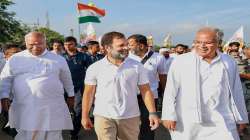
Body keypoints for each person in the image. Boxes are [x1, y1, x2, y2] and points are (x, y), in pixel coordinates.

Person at [161, 27, 249, 140]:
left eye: (207, 42)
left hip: (222, 118)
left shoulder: (228, 61)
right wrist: (168, 115)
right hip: (188, 120)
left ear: (218, 43)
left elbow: (237, 91)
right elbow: (170, 90)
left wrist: (242, 118)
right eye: (198, 42)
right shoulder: (181, 61)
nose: (202, 46)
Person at [81, 31, 160, 140]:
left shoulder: (137, 66)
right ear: (108, 48)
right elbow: (88, 94)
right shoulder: (95, 68)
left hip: (130, 116)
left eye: (127, 44)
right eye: (121, 45)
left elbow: (145, 90)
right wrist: (84, 116)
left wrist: (152, 113)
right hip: (103, 116)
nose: (126, 48)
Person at [0, 32, 75, 140]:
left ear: (45, 43)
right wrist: (4, 96)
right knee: (27, 135)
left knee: (52, 134)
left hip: (52, 106)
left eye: (39, 44)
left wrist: (71, 95)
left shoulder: (58, 59)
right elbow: (6, 79)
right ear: (26, 44)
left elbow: (67, 79)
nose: (35, 47)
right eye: (31, 44)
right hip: (25, 106)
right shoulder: (15, 59)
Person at [128, 34, 168, 140]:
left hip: (150, 96)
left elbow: (163, 77)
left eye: (131, 45)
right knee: (130, 123)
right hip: (130, 96)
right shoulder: (127, 57)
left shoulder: (158, 57)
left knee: (148, 124)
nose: (128, 47)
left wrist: (165, 93)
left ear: (141, 46)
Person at [63, 36, 91, 140]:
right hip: (63, 88)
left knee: (78, 110)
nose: (67, 46)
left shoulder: (84, 56)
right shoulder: (60, 57)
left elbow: (90, 70)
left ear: (75, 44)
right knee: (64, 109)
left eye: (70, 44)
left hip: (79, 87)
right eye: (65, 44)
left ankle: (73, 132)